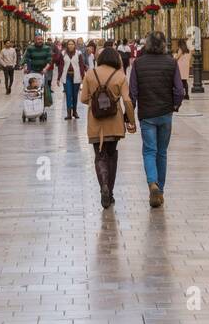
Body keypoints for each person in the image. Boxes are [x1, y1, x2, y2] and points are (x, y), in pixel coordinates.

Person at [127, 30, 185, 208]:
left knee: (149, 151)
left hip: (147, 115)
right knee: (162, 152)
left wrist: (130, 115)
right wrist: (175, 105)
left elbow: (133, 92)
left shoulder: (138, 63)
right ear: (164, 44)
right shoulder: (171, 62)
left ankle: (152, 183)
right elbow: (179, 90)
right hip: (165, 113)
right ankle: (160, 190)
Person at [79, 45, 137, 208]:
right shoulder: (119, 76)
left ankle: (103, 186)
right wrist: (131, 121)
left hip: (95, 121)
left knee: (99, 155)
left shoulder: (90, 74)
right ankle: (110, 192)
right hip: (114, 121)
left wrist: (96, 103)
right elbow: (127, 100)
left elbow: (83, 98)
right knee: (111, 155)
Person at [58, 39, 87, 119]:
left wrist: (83, 77)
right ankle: (68, 113)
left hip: (76, 76)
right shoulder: (63, 53)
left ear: (75, 45)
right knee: (68, 94)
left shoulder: (79, 53)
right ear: (67, 45)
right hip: (66, 77)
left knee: (75, 95)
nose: (70, 45)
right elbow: (60, 66)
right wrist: (58, 78)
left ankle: (74, 111)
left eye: (72, 44)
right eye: (69, 44)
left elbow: (81, 65)